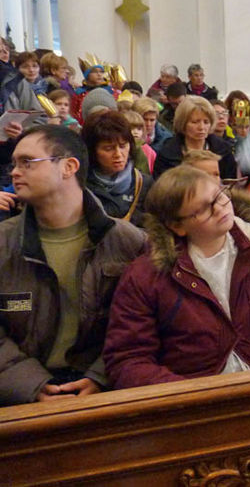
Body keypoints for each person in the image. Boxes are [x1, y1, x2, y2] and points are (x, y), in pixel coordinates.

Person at [103, 166, 250, 388]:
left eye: (220, 196)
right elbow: (128, 360)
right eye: (203, 209)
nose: (220, 208)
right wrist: (192, 395)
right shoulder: (145, 277)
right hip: (190, 404)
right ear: (177, 226)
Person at [0, 125, 146, 405]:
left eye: (27, 162)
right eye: (14, 164)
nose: (15, 172)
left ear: (68, 167)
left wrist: (100, 376)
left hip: (106, 392)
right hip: (20, 395)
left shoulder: (128, 242)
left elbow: (141, 324)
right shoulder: (4, 243)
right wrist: (32, 385)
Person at [82, 111, 152, 227]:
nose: (118, 154)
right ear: (92, 151)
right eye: (108, 148)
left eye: (123, 146)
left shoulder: (143, 183)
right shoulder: (81, 184)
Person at [153, 96, 238, 180]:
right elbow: (161, 187)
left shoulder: (223, 150)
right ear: (183, 123)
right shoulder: (167, 152)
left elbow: (230, 182)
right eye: (195, 122)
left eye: (206, 122)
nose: (201, 127)